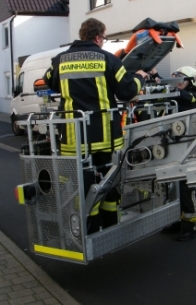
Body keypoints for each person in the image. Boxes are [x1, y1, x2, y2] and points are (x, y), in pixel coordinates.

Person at [43, 18, 148, 233]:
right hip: (106, 138)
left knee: (81, 188)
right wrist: (139, 78)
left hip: (74, 140)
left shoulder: (59, 60)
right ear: (98, 37)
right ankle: (110, 229)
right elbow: (126, 91)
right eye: (104, 38)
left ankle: (87, 231)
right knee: (109, 186)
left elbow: (48, 81)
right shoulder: (108, 60)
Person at [163, 66, 196, 241]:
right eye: (175, 79)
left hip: (189, 146)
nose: (178, 83)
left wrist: (171, 87)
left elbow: (192, 100)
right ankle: (176, 220)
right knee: (170, 185)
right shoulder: (174, 94)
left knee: (185, 186)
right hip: (173, 145)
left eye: (182, 79)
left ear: (192, 81)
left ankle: (190, 224)